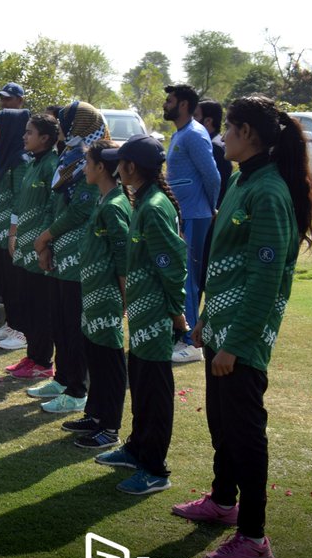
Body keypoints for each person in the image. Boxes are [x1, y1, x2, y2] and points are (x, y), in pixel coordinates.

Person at [173, 95, 312, 558]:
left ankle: (254, 537)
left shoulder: (270, 192)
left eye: (228, 128)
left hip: (245, 337)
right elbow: (222, 260)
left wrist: (235, 342)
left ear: (249, 134)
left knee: (245, 432)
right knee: (221, 422)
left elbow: (266, 277)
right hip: (221, 327)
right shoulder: (242, 180)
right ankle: (222, 500)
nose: (221, 137)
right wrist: (204, 323)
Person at [94, 135, 187, 495]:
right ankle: (137, 448)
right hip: (144, 315)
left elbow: (173, 266)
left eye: (120, 162)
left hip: (157, 317)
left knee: (155, 389)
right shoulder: (143, 201)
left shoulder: (153, 206)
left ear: (131, 168)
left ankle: (155, 468)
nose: (116, 168)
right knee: (142, 383)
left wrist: (176, 314)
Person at [29, 102, 110, 411]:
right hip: (60, 251)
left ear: (81, 126)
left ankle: (77, 390)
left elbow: (81, 210)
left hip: (79, 256)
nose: (60, 127)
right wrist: (47, 243)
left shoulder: (95, 160)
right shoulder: (71, 156)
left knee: (76, 326)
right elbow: (57, 204)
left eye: (65, 122)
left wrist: (46, 236)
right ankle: (62, 379)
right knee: (60, 321)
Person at [61, 140, 131, 448]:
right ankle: (96, 414)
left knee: (109, 360)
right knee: (95, 355)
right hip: (92, 294)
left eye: (88, 164)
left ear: (101, 168)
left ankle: (110, 427)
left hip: (106, 297)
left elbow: (123, 258)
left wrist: (123, 298)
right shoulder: (105, 200)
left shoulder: (115, 205)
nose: (84, 169)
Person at [163, 83, 220, 364]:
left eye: (170, 100)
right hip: (184, 214)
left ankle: (192, 343)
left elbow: (212, 177)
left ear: (183, 104)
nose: (165, 104)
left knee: (190, 279)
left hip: (195, 215)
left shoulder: (195, 134)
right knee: (179, 276)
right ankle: (180, 333)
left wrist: (209, 209)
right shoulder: (180, 134)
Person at [6, 114, 60, 380]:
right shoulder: (32, 164)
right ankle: (32, 355)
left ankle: (43, 361)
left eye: (30, 132)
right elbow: (20, 203)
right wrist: (13, 234)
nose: (25, 136)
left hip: (39, 250)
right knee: (27, 304)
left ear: (46, 138)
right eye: (25, 132)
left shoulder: (52, 165)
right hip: (24, 249)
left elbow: (53, 208)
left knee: (41, 308)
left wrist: (44, 244)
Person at [0, 107, 29, 349]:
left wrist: (12, 230)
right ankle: (11, 323)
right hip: (1, 229)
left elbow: (19, 199)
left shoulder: (20, 159)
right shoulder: (4, 156)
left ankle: (22, 330)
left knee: (16, 282)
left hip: (14, 232)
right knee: (5, 282)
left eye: (1, 125)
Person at [195, 98, 232, 211]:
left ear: (208, 121)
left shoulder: (214, 147)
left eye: (195, 116)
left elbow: (214, 185)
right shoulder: (213, 143)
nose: (190, 121)